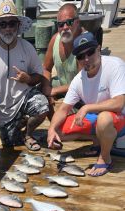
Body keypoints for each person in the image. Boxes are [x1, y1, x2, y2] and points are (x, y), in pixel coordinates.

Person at [0, 0, 49, 150]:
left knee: (42, 106)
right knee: (10, 144)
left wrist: (28, 78)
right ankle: (17, 124)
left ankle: (28, 134)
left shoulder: (27, 47)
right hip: (2, 109)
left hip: (23, 98)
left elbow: (39, 75)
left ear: (18, 25)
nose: (8, 28)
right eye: (3, 24)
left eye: (12, 23)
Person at [47, 32, 125, 177]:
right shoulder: (79, 79)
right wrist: (51, 129)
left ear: (99, 49)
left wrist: (87, 107)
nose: (86, 59)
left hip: (121, 121)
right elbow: (63, 109)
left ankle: (105, 158)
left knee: (104, 118)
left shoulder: (115, 66)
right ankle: (97, 141)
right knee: (57, 131)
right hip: (96, 121)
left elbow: (119, 103)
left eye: (90, 52)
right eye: (81, 56)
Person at [43, 3, 82, 119]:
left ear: (77, 22)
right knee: (39, 88)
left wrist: (54, 90)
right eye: (60, 24)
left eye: (69, 22)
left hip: (82, 94)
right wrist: (46, 89)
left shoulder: (84, 43)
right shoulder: (55, 39)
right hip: (63, 87)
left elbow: (83, 83)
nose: (64, 27)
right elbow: (46, 68)